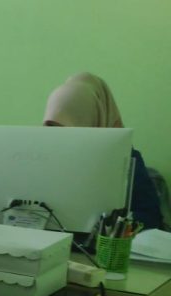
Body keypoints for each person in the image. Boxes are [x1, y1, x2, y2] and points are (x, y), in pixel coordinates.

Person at [44, 72, 164, 231]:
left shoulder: (126, 158)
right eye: (53, 126)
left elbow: (151, 218)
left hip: (103, 242)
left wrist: (112, 225)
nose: (60, 136)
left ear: (94, 117)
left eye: (69, 126)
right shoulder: (42, 154)